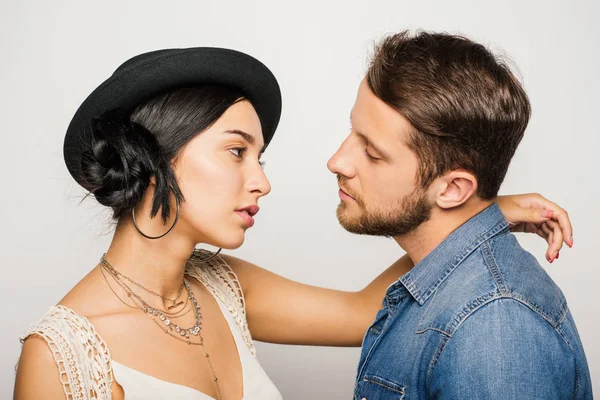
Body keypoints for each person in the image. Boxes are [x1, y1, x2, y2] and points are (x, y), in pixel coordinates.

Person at [14, 46, 573, 400]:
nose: (262, 182)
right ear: (154, 159)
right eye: (237, 152)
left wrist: (475, 212)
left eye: (261, 157)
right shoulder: (58, 358)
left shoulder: (225, 284)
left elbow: (366, 313)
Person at [325, 31, 591, 399]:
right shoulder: (449, 291)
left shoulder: (495, 327)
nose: (336, 161)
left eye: (372, 152)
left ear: (452, 190)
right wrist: (491, 212)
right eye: (353, 132)